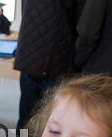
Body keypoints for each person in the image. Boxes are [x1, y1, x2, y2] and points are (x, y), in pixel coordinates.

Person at [14, 0, 85, 130]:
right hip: (55, 62)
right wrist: (78, 62)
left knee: (26, 117)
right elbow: (83, 26)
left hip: (28, 57)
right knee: (51, 122)